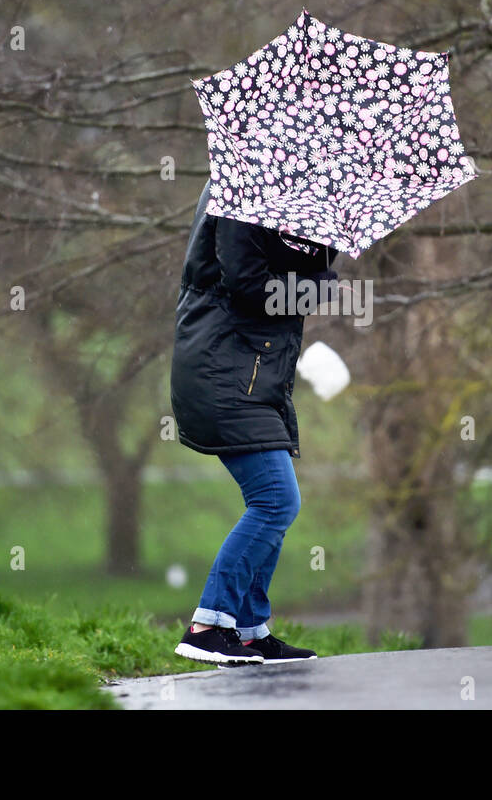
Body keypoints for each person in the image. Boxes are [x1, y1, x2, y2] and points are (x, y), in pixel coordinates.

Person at [169, 179, 340, 665]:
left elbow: (290, 272)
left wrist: (320, 245)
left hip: (254, 377)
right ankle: (208, 624)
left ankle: (247, 630)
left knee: (276, 501)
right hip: (223, 373)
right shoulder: (242, 186)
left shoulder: (278, 191)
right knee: (275, 499)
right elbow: (249, 288)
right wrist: (318, 288)